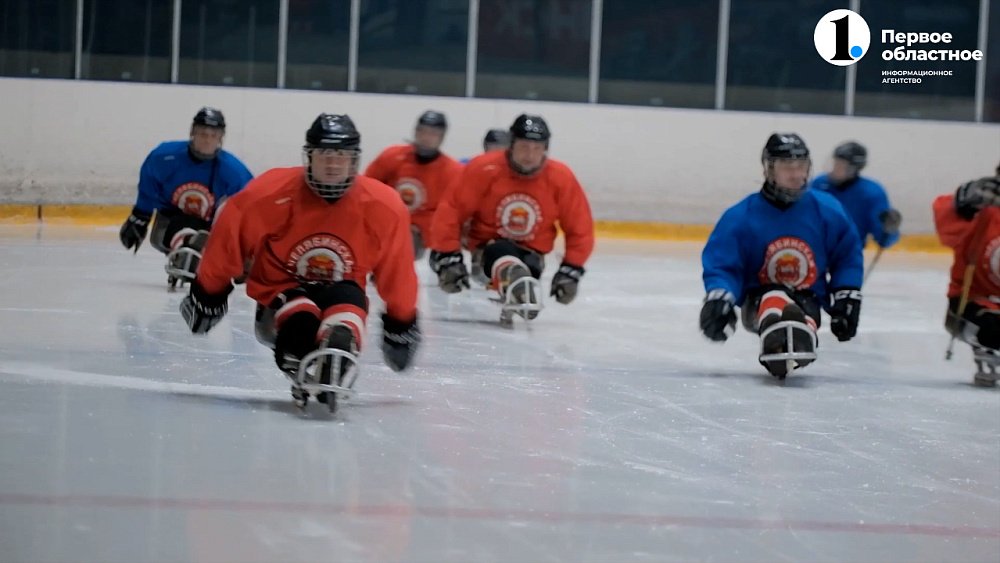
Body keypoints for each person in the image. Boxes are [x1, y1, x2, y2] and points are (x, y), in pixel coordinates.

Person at [179, 113, 421, 405]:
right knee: (299, 320)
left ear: (354, 161)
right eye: (324, 154)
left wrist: (401, 321)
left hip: (342, 287)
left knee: (347, 307)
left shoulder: (383, 205)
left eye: (341, 155)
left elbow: (397, 269)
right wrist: (208, 292)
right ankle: (311, 348)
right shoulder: (269, 193)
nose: (332, 163)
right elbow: (228, 240)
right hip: (281, 288)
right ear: (309, 157)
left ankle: (337, 340)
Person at [700, 133, 864, 379]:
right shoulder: (741, 217)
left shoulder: (827, 210)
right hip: (758, 301)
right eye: (788, 166)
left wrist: (846, 293)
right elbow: (723, 264)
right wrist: (720, 296)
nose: (797, 174)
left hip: (809, 298)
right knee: (775, 297)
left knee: (803, 311)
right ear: (769, 169)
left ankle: (799, 336)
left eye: (802, 166)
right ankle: (785, 333)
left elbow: (847, 254)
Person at [429, 113, 595, 322]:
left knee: (529, 265)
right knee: (500, 251)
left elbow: (580, 226)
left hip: (532, 254)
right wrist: (448, 256)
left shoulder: (560, 177)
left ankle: (518, 281)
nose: (530, 155)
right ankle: (515, 278)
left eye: (537, 148)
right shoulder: (483, 168)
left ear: (546, 149)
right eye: (524, 147)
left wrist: (571, 268)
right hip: (486, 251)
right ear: (511, 145)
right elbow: (451, 211)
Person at [118, 107, 254, 284]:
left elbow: (251, 204)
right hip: (169, 220)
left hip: (210, 225)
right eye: (202, 134)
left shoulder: (234, 171)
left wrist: (247, 248)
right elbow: (149, 178)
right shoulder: (165, 157)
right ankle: (191, 246)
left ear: (221, 138)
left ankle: (199, 249)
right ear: (192, 133)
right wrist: (141, 215)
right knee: (182, 224)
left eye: (213, 135)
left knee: (220, 231)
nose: (207, 140)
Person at [932, 162, 1000, 386]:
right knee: (993, 328)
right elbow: (945, 219)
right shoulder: (984, 214)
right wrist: (964, 202)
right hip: (976, 304)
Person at [364, 110, 463, 260]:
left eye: (433, 133)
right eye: (422, 131)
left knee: (405, 240)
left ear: (442, 137)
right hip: (387, 222)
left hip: (419, 232)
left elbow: (450, 214)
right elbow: (367, 189)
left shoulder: (453, 171)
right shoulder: (391, 156)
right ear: (415, 131)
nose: (426, 137)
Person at [810, 141, 902, 250]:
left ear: (853, 169)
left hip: (849, 255)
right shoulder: (819, 184)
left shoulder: (871, 193)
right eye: (835, 163)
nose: (835, 168)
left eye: (841, 165)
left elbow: (883, 240)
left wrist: (889, 230)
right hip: (815, 250)